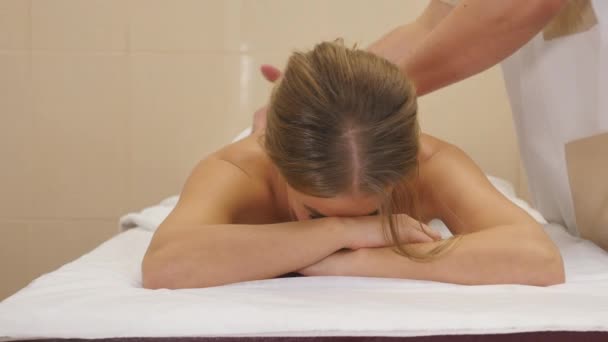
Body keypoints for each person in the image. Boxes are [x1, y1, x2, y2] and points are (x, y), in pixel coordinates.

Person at [141, 41, 564, 290]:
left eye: (373, 211)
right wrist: (347, 230)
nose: (348, 235)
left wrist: (360, 262)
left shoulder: (431, 163)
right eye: (315, 210)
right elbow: (166, 263)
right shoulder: (240, 168)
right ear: (276, 161)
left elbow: (537, 258)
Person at [259, 0, 608, 250]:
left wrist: (368, 106)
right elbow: (435, 22)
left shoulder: (438, 164)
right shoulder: (246, 166)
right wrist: (318, 100)